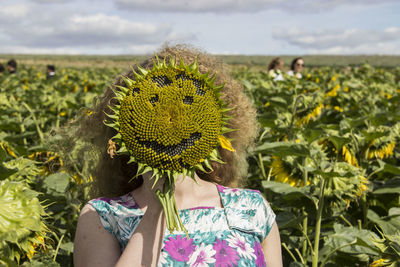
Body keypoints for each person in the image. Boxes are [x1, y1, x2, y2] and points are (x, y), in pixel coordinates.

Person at [72, 45, 283, 267]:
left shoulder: (251, 209)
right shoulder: (103, 217)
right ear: (121, 128)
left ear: (217, 126)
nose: (169, 118)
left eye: (190, 104)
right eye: (152, 104)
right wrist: (157, 206)